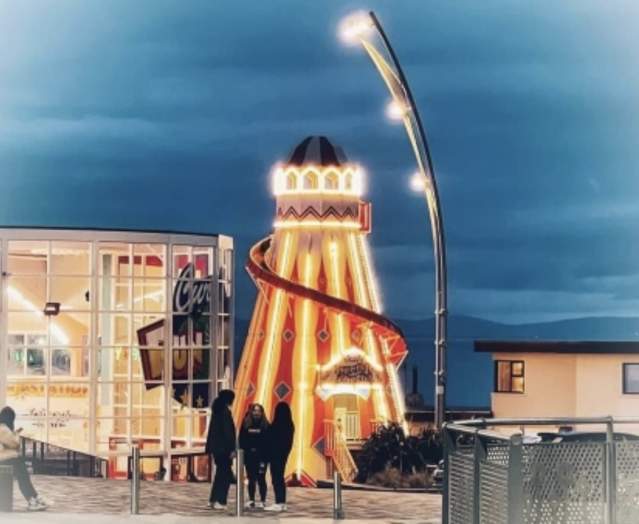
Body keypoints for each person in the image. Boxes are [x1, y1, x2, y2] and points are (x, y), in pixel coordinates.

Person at [0, 406, 47, 511]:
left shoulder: (3, 428)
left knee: (23, 475)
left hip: (7, 459)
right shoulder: (3, 428)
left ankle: (33, 498)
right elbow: (14, 444)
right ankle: (33, 498)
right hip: (5, 460)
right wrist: (16, 434)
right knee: (22, 474)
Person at [205, 390, 236, 510]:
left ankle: (213, 499)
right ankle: (221, 500)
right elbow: (228, 432)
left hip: (216, 449)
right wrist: (232, 448)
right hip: (224, 449)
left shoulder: (216, 411)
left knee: (220, 474)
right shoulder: (225, 412)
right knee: (225, 475)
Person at [264, 401, 295, 512]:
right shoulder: (290, 425)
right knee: (279, 477)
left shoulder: (276, 425)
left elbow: (271, 438)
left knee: (276, 478)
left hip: (275, 455)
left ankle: (279, 502)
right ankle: (281, 502)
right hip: (283, 454)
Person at [239, 403, 269, 509]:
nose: (256, 413)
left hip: (262, 457)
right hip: (249, 456)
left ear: (262, 413)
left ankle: (263, 501)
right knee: (251, 479)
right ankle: (251, 500)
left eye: (259, 411)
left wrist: (266, 457)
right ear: (251, 412)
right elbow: (241, 439)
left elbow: (269, 442)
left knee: (261, 478)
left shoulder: (266, 425)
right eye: (255, 410)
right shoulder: (246, 424)